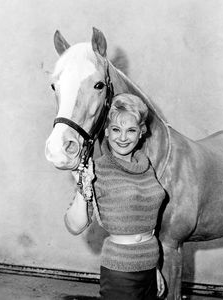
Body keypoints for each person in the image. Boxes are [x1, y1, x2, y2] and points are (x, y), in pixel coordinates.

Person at [65, 93, 166, 300]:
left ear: (141, 133)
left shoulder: (146, 166)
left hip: (149, 266)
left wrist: (154, 267)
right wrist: (83, 188)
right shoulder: (98, 170)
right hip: (120, 272)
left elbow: (145, 223)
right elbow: (74, 226)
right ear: (107, 132)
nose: (122, 137)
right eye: (116, 130)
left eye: (130, 130)